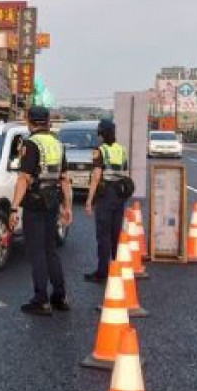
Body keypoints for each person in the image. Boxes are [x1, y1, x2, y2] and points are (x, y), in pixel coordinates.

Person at [8, 106, 73, 316]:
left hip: (35, 202)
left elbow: (24, 178)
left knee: (36, 252)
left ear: (29, 120)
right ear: (47, 121)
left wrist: (14, 207)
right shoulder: (57, 143)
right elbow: (64, 179)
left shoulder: (30, 143)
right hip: (53, 200)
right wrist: (68, 207)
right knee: (50, 250)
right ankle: (60, 297)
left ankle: (41, 300)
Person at [83, 119, 129, 283]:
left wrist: (89, 200)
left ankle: (102, 272)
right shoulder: (122, 150)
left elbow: (96, 176)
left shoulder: (100, 150)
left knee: (103, 235)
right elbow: (125, 173)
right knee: (115, 233)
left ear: (101, 133)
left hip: (105, 195)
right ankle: (117, 268)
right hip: (119, 195)